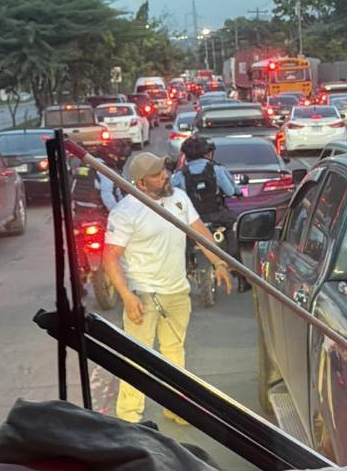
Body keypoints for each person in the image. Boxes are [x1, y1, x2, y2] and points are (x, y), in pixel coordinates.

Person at [103, 152, 232, 426]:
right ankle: (129, 419)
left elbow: (199, 233)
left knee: (174, 352)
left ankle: (176, 408)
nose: (165, 177)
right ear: (140, 182)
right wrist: (126, 296)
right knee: (137, 358)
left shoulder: (179, 199)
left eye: (164, 171)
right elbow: (110, 257)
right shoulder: (125, 211)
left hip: (176, 292)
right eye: (157, 175)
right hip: (143, 295)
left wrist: (218, 262)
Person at [171, 136, 250, 293]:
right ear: (207, 153)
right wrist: (238, 193)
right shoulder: (216, 169)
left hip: (191, 220)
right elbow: (229, 190)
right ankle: (241, 279)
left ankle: (183, 269)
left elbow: (171, 194)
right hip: (217, 216)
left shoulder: (179, 175)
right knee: (233, 232)